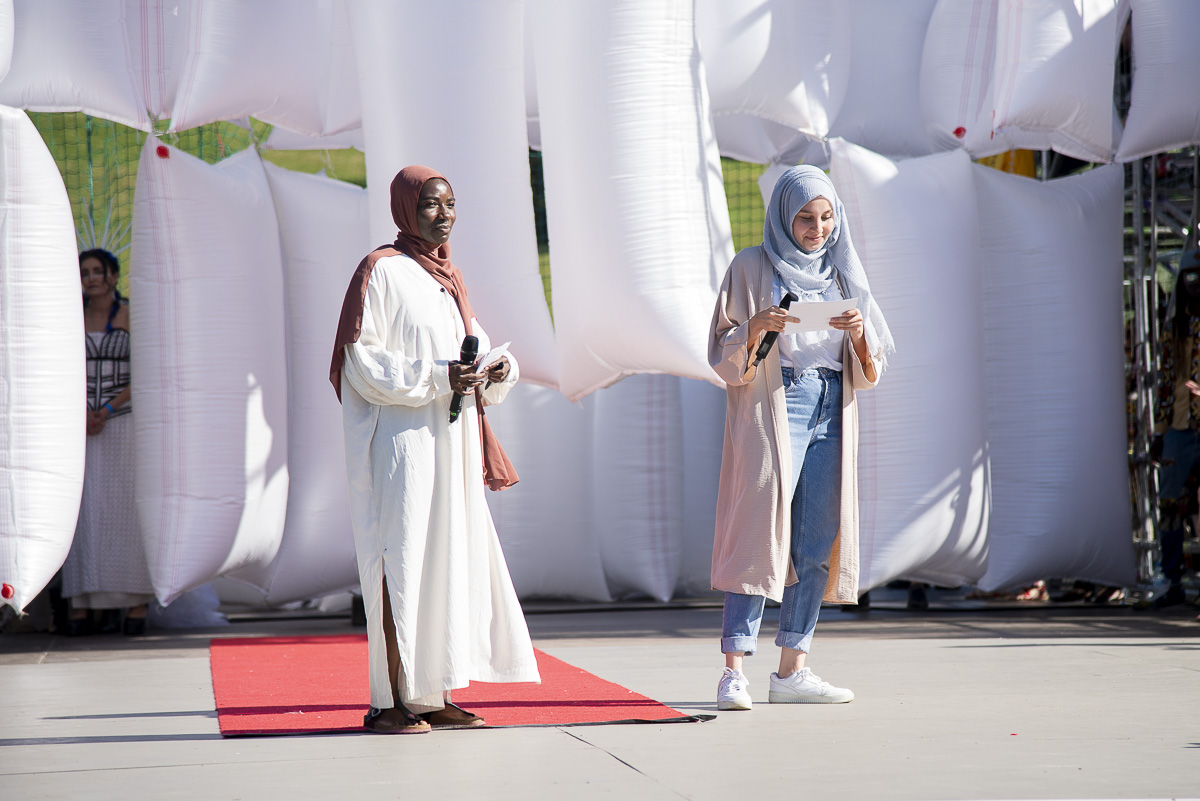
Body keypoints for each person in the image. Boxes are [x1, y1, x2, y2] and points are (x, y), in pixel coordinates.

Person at [330, 165, 540, 734]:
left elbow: (474, 349)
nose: (442, 215)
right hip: (400, 447)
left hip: (449, 443)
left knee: (445, 564)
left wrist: (498, 367)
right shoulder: (382, 271)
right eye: (429, 205)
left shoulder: (446, 278)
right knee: (398, 562)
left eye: (449, 204)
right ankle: (386, 700)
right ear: (405, 209)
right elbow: (362, 363)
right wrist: (440, 375)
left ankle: (430, 693)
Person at [708, 165, 893, 709]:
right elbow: (721, 352)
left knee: (815, 542)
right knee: (755, 533)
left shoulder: (841, 274)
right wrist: (756, 327)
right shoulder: (751, 265)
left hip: (831, 405)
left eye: (827, 217)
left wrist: (859, 334)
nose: (818, 229)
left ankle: (792, 668)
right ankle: (733, 671)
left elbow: (873, 364)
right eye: (806, 218)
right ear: (784, 217)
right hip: (774, 402)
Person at [61, 248, 155, 636]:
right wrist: (80, 409)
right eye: (85, 272)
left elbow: (147, 368)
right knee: (80, 513)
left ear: (114, 276)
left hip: (122, 422)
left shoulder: (133, 315)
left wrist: (106, 407)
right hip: (76, 425)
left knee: (125, 511)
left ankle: (136, 605)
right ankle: (80, 605)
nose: (92, 278)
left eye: (98, 271)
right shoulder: (67, 318)